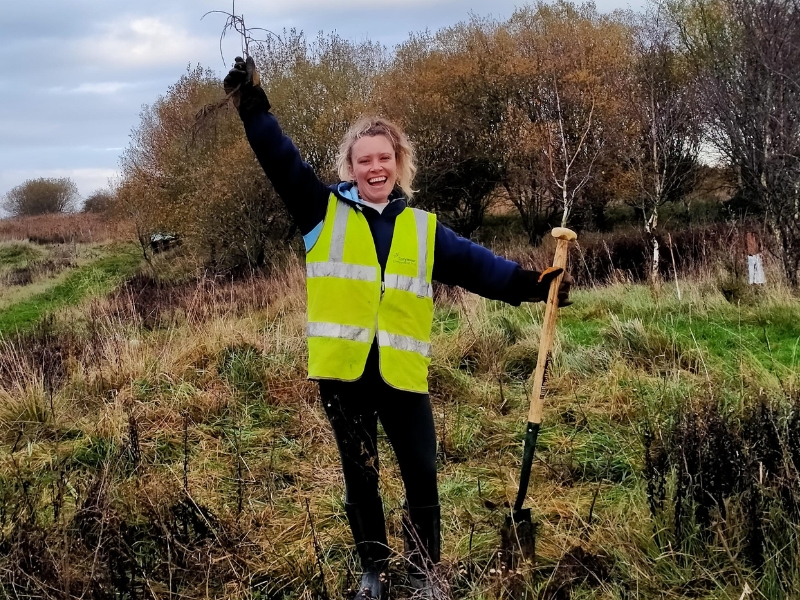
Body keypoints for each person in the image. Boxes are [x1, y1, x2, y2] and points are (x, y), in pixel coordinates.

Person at [223, 56, 571, 600]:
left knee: (421, 472)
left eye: (384, 158)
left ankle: (423, 571)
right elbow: (282, 162)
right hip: (343, 373)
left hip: (402, 373)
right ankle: (373, 573)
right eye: (364, 160)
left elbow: (481, 267)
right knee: (360, 475)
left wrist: (535, 285)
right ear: (350, 166)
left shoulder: (423, 229)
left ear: (399, 162)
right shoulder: (321, 213)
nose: (375, 168)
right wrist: (254, 111)